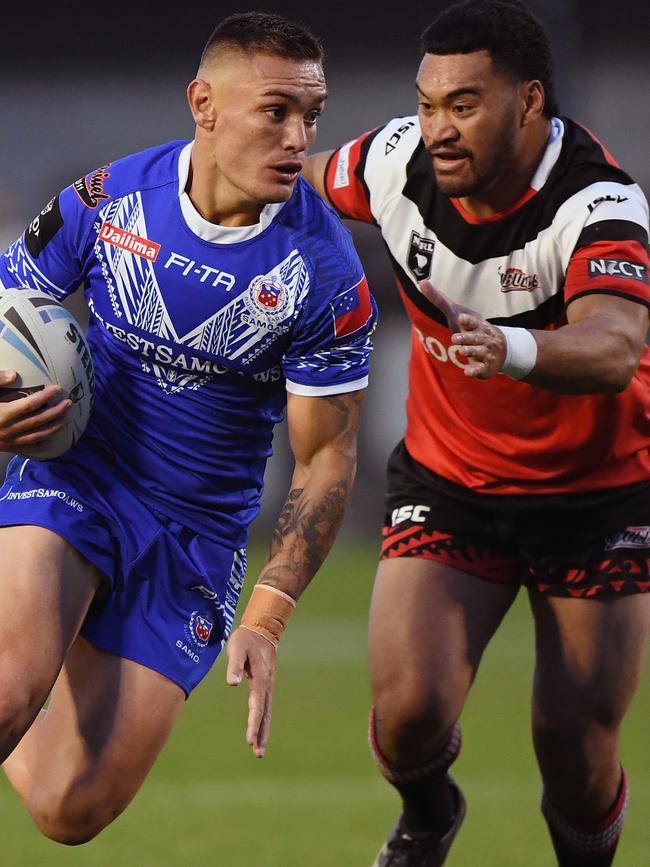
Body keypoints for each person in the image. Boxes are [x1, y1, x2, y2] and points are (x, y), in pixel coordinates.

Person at [0, 12, 376, 846]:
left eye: (310, 116)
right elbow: (5, 306)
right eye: (275, 111)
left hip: (194, 535)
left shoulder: (325, 275)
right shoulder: (107, 199)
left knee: (69, 807)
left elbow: (324, 461)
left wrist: (268, 614)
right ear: (203, 103)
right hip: (77, 474)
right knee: (11, 687)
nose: (298, 137)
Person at [302, 0, 650, 864]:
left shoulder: (598, 201)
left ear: (530, 102)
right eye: (427, 103)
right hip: (451, 482)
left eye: (464, 104)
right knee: (409, 708)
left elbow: (613, 346)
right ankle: (428, 814)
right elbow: (293, 177)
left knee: (574, 752)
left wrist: (514, 347)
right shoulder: (394, 163)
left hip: (596, 495)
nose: (437, 129)